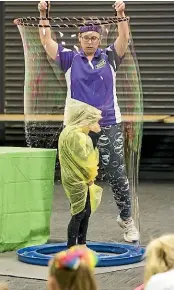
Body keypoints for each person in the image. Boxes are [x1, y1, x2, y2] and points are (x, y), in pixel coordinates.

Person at [38, 0, 139, 242]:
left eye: (94, 37)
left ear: (100, 39)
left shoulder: (110, 57)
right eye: (86, 38)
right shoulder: (70, 59)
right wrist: (43, 12)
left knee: (117, 174)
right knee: (80, 178)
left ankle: (126, 219)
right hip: (77, 129)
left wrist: (121, 13)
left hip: (108, 123)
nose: (90, 41)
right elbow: (45, 40)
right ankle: (80, 235)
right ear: (80, 39)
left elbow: (124, 38)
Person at [58, 99, 103, 248]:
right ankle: (73, 247)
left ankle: (80, 245)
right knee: (79, 213)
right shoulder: (77, 136)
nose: (98, 125)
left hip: (75, 178)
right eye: (95, 121)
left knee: (84, 212)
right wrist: (90, 177)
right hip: (79, 180)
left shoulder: (69, 132)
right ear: (86, 120)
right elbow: (84, 160)